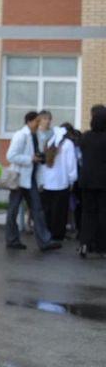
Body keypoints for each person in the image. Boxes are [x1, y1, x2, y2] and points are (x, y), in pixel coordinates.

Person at [5, 111, 62, 252]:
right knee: (13, 210)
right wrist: (30, 159)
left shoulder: (36, 136)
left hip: (31, 179)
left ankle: (45, 241)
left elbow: (38, 156)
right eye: (37, 121)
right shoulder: (21, 135)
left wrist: (40, 161)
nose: (39, 124)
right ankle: (12, 239)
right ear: (29, 122)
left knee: (37, 209)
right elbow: (11, 156)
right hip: (19, 178)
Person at [39, 125, 79, 242]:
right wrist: (72, 179)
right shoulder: (68, 144)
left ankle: (46, 233)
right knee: (60, 212)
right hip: (62, 183)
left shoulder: (47, 142)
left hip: (46, 183)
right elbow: (71, 164)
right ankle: (58, 235)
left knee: (47, 210)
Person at [78, 105, 106, 258]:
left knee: (87, 213)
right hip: (103, 182)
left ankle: (84, 243)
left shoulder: (86, 137)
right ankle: (102, 247)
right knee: (103, 213)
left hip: (86, 180)